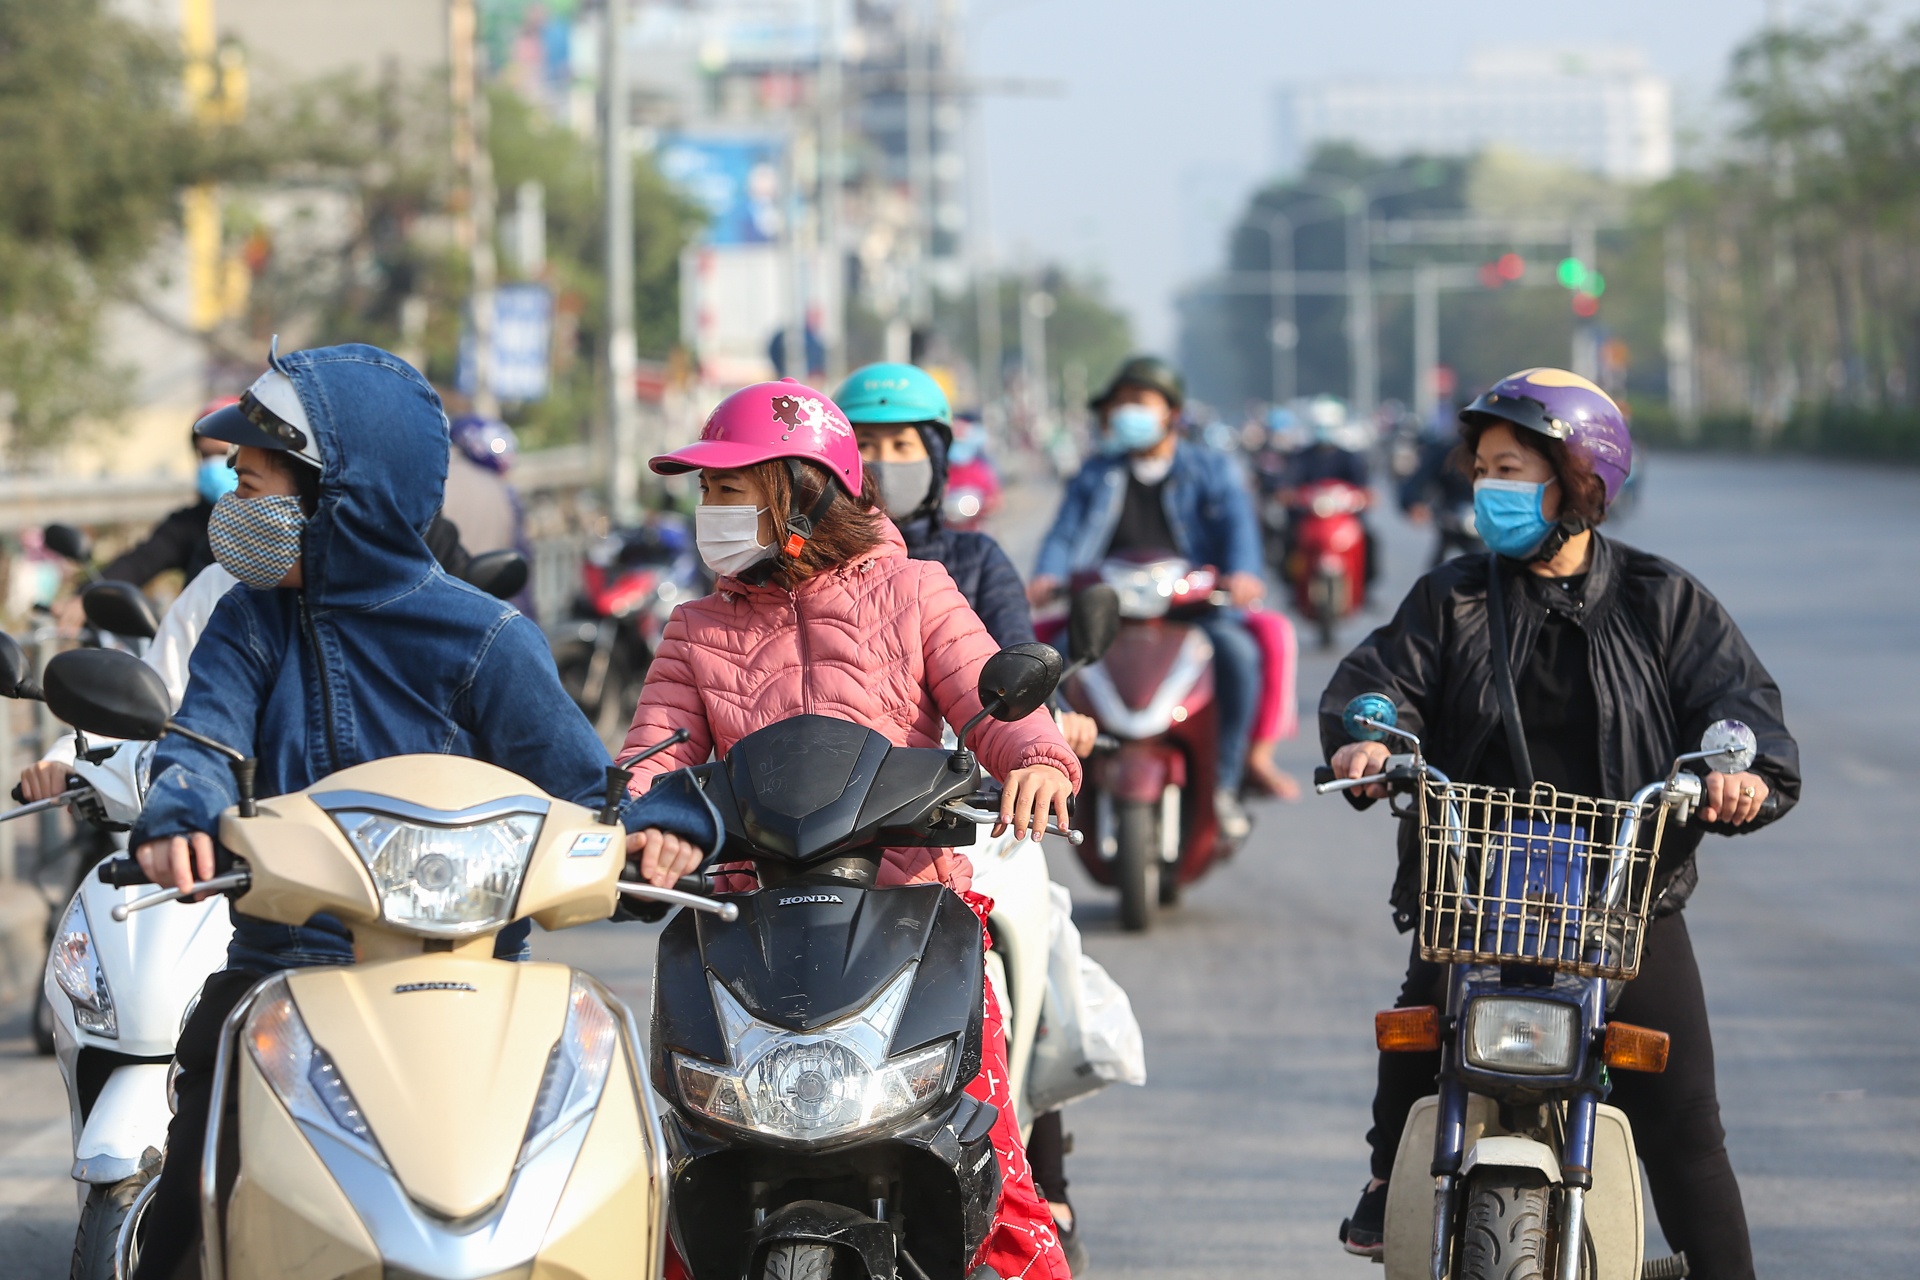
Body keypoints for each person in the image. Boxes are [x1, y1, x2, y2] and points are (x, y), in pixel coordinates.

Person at [125, 342, 719, 1280]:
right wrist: (180, 813)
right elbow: (203, 738)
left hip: (478, 975)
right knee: (196, 1182)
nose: (231, 507)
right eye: (230, 483)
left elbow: (592, 789)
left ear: (337, 493)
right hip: (288, 965)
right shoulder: (249, 620)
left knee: (614, 1178)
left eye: (253, 480)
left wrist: (658, 834)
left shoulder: (487, 637)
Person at [1319, 368, 1799, 1280]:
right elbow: (1382, 687)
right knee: (1416, 1033)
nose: (1489, 487)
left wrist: (1740, 776)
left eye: (1514, 468)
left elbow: (1743, 713)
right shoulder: (1449, 598)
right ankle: (1391, 1181)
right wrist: (1367, 741)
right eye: (1484, 468)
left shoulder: (1668, 602)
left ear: (1581, 481)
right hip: (1480, 894)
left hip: (1626, 902)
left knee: (1688, 1129)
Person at [618, 377, 1079, 1280]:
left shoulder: (916, 591)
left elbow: (990, 695)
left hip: (913, 918)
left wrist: (1036, 757)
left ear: (802, 489)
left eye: (728, 489)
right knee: (679, 1172)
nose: (709, 511)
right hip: (743, 927)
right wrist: (650, 828)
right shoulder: (693, 627)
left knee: (1004, 1185)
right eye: (705, 492)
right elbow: (652, 759)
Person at [836, 360, 1099, 1269]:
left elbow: (1001, 684)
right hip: (830, 834)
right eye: (862, 444)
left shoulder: (963, 566)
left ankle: (1038, 1165)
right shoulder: (776, 581)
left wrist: (1040, 742)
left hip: (964, 816)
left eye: (901, 445)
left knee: (1031, 952)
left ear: (938, 456)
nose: (880, 462)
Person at [1029, 354, 1265, 839]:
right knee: (1037, 664)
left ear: (1172, 413)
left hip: (1190, 614)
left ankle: (1224, 780)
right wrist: (1047, 575)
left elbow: (1239, 527)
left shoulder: (1211, 469)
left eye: (1139, 402)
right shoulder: (1095, 473)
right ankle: (1058, 777)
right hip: (1105, 618)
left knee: (1240, 655)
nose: (1125, 414)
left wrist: (1242, 572)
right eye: (1118, 406)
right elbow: (1064, 534)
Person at [46, 400, 237, 633]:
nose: (214, 465)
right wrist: (88, 597)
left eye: (224, 454)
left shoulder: (283, 523)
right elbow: (140, 561)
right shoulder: (190, 522)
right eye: (205, 456)